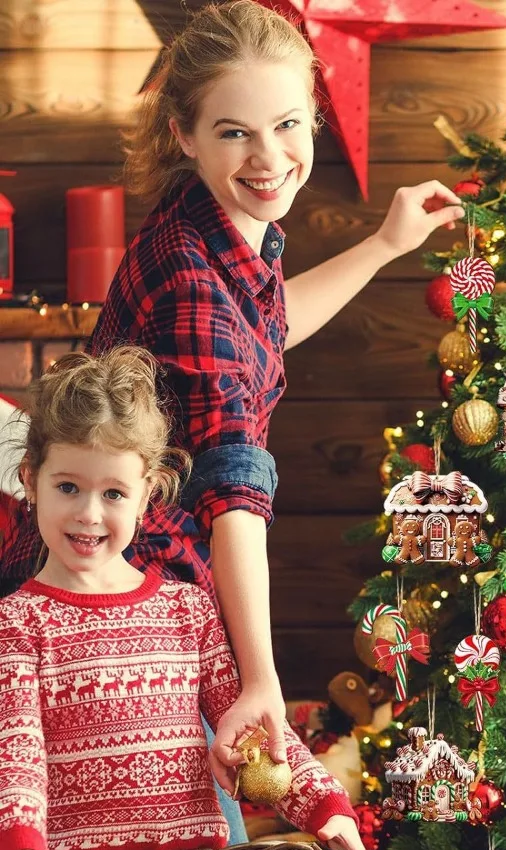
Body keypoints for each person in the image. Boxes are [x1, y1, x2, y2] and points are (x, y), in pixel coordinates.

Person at [0, 1, 464, 792]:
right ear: (184, 133)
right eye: (234, 132)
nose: (269, 157)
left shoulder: (214, 222)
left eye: (288, 124)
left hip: (141, 596)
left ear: (314, 116)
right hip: (123, 621)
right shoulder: (190, 275)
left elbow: (261, 333)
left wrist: (384, 246)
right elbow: (232, 492)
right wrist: (260, 676)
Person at [0, 348, 369, 850]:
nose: (89, 514)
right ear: (29, 480)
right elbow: (16, 757)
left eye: (113, 493)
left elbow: (257, 734)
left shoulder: (186, 607)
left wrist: (328, 812)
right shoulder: (19, 623)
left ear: (149, 492)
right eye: (68, 487)